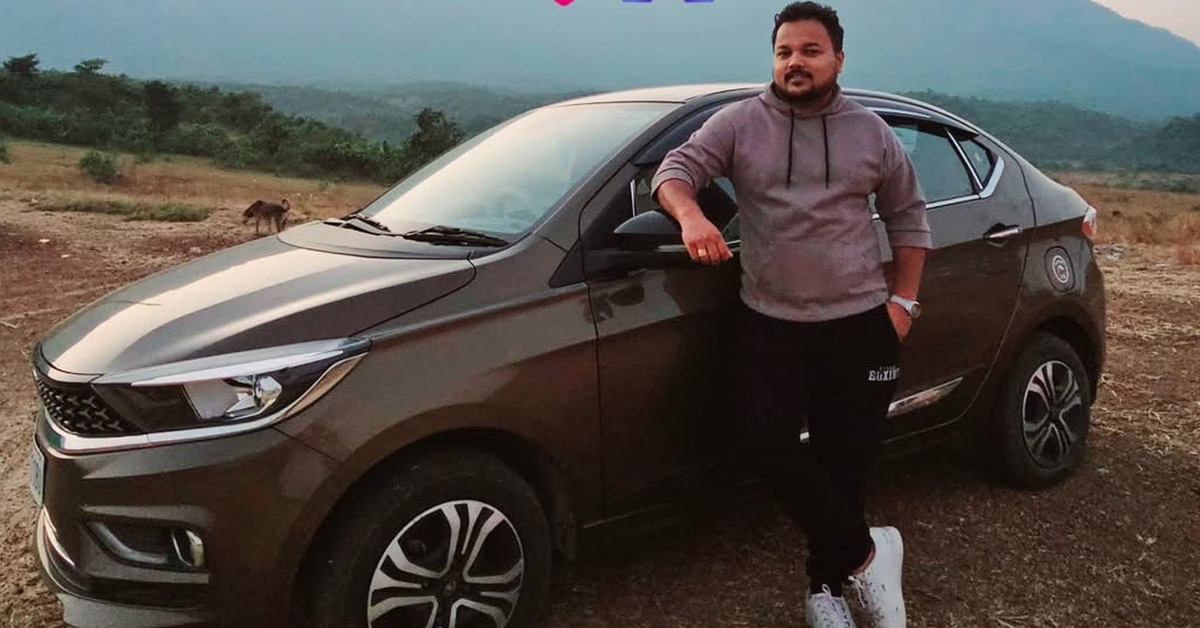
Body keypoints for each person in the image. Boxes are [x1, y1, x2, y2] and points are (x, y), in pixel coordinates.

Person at [650, 3, 931, 627]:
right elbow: (674, 171)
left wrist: (904, 303)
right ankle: (869, 553)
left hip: (859, 324)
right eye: (784, 52)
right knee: (763, 446)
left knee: (844, 461)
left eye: (809, 50)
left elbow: (910, 218)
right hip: (769, 322)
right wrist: (691, 217)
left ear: (838, 59)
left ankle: (824, 588)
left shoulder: (871, 133)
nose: (794, 63)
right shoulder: (739, 123)